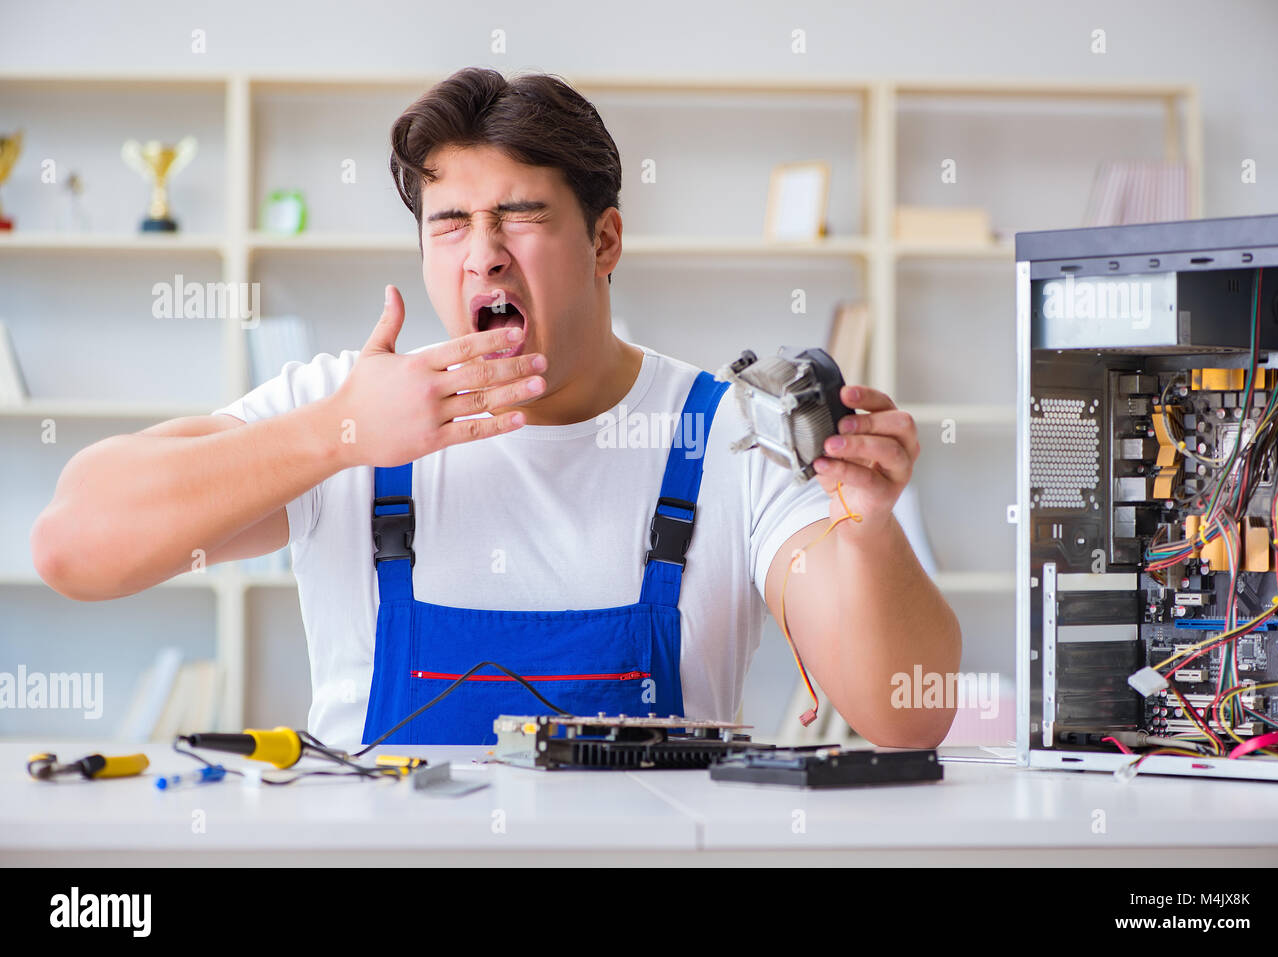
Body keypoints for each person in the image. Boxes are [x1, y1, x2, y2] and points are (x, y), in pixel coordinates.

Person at [31, 67, 960, 749]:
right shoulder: (341, 409)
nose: (482, 255)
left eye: (518, 215)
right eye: (450, 222)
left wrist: (871, 529)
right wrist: (337, 435)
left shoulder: (724, 435)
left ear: (606, 240)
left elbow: (906, 714)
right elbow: (73, 545)